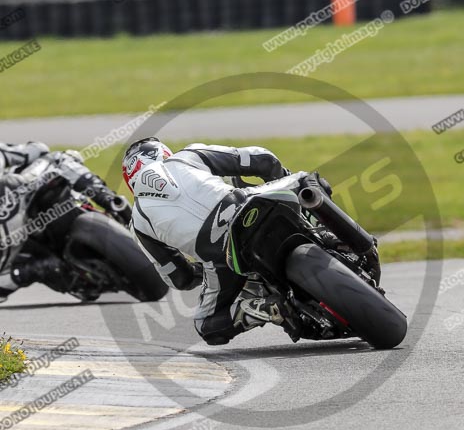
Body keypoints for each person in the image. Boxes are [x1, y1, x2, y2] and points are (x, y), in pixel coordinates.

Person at [123, 138, 379, 346]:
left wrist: (201, 270)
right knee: (306, 181)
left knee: (206, 325)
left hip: (220, 257)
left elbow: (179, 278)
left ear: (130, 179)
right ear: (163, 153)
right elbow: (263, 159)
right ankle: (341, 237)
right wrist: (279, 180)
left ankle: (264, 308)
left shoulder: (138, 222)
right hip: (247, 203)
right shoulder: (186, 156)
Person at [0, 142, 130, 302]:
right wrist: (31, 270)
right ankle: (42, 269)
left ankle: (109, 200)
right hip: (15, 253)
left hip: (25, 194)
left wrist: (26, 171)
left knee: (60, 158)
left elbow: (38, 149)